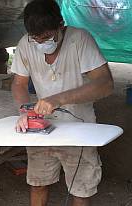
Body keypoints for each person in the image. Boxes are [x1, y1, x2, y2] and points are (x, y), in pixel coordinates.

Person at [10, 0, 114, 205]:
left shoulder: (79, 39)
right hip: (41, 127)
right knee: (38, 182)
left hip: (79, 127)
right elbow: (19, 84)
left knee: (81, 189)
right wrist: (24, 111)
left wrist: (58, 99)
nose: (41, 43)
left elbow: (106, 84)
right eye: (36, 39)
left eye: (47, 37)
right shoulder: (25, 44)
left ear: (61, 24)